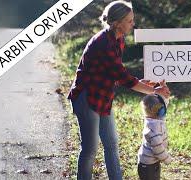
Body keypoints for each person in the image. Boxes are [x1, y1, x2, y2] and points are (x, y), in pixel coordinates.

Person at [67, 1, 170, 180]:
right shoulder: (103, 43)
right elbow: (124, 78)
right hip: (86, 97)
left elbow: (117, 73)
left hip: (103, 97)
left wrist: (147, 85)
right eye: (129, 21)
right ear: (117, 23)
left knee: (112, 144)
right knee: (90, 148)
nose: (133, 24)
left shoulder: (118, 39)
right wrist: (154, 92)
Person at [137, 90, 172, 180]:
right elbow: (158, 148)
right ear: (159, 111)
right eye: (161, 107)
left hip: (152, 162)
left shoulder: (154, 118)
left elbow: (164, 103)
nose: (163, 109)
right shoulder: (153, 129)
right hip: (148, 165)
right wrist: (167, 159)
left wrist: (165, 93)